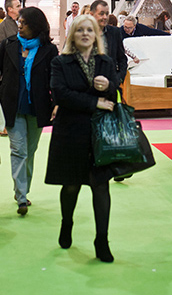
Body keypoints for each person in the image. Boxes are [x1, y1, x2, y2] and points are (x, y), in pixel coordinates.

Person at [45, 14, 118, 262]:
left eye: (90, 30)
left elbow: (114, 93)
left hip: (100, 134)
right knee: (71, 185)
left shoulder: (106, 61)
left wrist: (108, 86)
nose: (85, 34)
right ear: (73, 35)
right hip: (70, 132)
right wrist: (94, 101)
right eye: (80, 30)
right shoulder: (60, 62)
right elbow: (61, 95)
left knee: (101, 186)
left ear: (96, 35)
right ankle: (67, 224)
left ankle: (102, 240)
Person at [0, 7, 58, 216]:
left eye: (23, 22)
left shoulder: (49, 50)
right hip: (12, 105)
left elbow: (54, 79)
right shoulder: (9, 44)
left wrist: (57, 102)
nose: (19, 25)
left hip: (38, 106)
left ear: (36, 25)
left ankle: (22, 189)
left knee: (30, 152)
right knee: (19, 150)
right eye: (19, 22)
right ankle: (22, 196)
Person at [90, 0, 127, 85]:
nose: (105, 17)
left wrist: (119, 78)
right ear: (92, 15)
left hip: (110, 83)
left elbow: (122, 58)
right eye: (101, 14)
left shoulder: (115, 32)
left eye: (107, 14)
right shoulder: (83, 33)